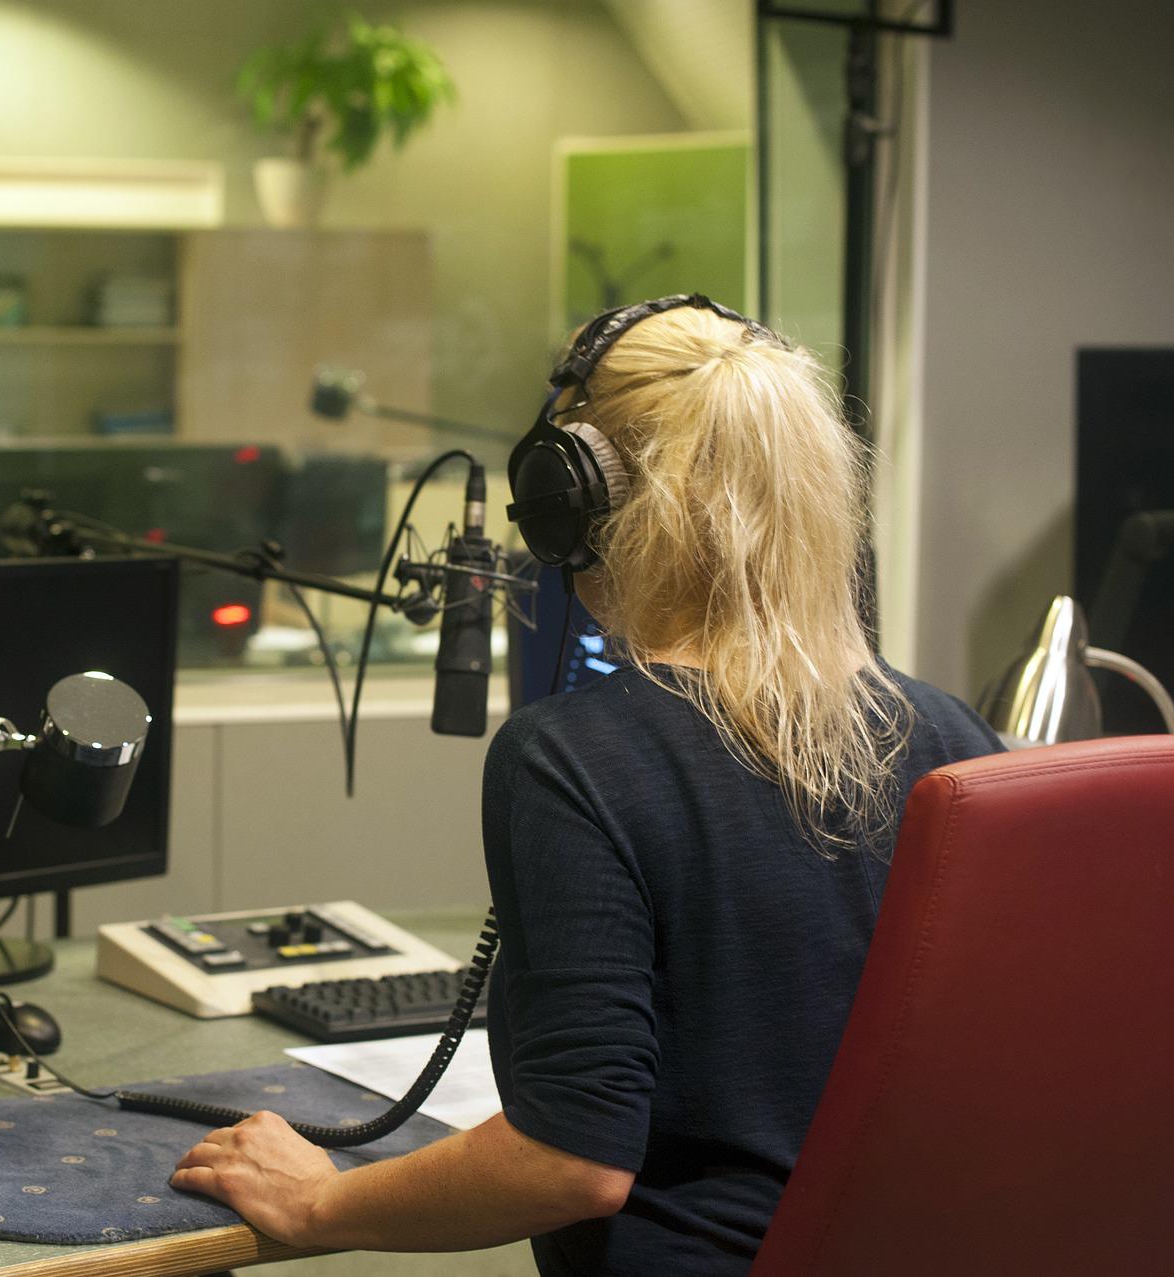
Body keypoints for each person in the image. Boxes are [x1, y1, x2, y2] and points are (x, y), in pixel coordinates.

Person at [169, 302, 1004, 1273]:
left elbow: (570, 1161)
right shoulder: (953, 737)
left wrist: (322, 1200)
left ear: (569, 496)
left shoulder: (573, 758)